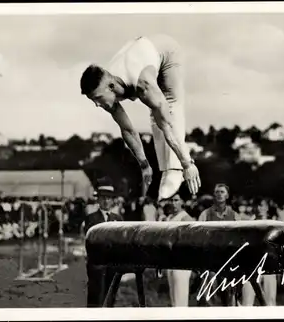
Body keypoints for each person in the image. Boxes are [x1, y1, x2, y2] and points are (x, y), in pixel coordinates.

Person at [80, 34, 201, 201]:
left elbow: (167, 125)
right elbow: (128, 130)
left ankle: (175, 170)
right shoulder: (107, 91)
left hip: (167, 51)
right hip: (140, 52)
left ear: (111, 86)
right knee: (154, 113)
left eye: (98, 98)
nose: (97, 104)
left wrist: (187, 163)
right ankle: (167, 168)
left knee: (168, 106)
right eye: (93, 100)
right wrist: (144, 165)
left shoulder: (142, 85)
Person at [84, 179, 124, 307]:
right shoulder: (91, 218)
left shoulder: (118, 219)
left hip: (113, 263)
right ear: (98, 200)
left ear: (113, 201)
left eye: (109, 198)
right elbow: (91, 240)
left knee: (110, 294)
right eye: (103, 198)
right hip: (97, 263)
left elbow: (121, 240)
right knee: (96, 296)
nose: (106, 201)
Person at [162, 192, 195, 307]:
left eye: (176, 200)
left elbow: (192, 239)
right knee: (173, 298)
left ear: (182, 202)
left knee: (180, 297)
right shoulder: (169, 218)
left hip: (182, 260)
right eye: (171, 200)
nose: (173, 203)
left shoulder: (186, 218)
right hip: (170, 259)